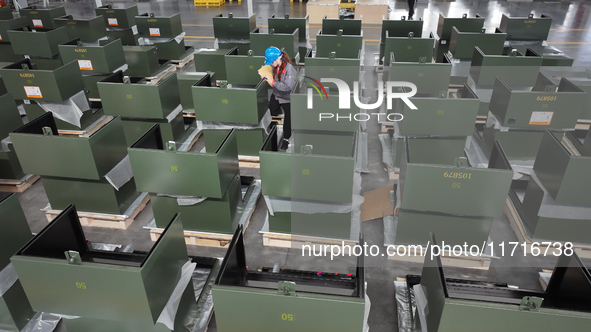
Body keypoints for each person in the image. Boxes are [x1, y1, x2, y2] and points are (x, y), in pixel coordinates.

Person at [260, 46, 296, 151]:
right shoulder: (275, 65)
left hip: (287, 97)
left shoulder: (289, 70)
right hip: (276, 95)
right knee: (271, 110)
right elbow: (269, 71)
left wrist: (271, 82)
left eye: (271, 62)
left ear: (278, 59)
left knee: (288, 119)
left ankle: (286, 139)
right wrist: (264, 75)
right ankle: (271, 128)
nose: (271, 64)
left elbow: (287, 87)